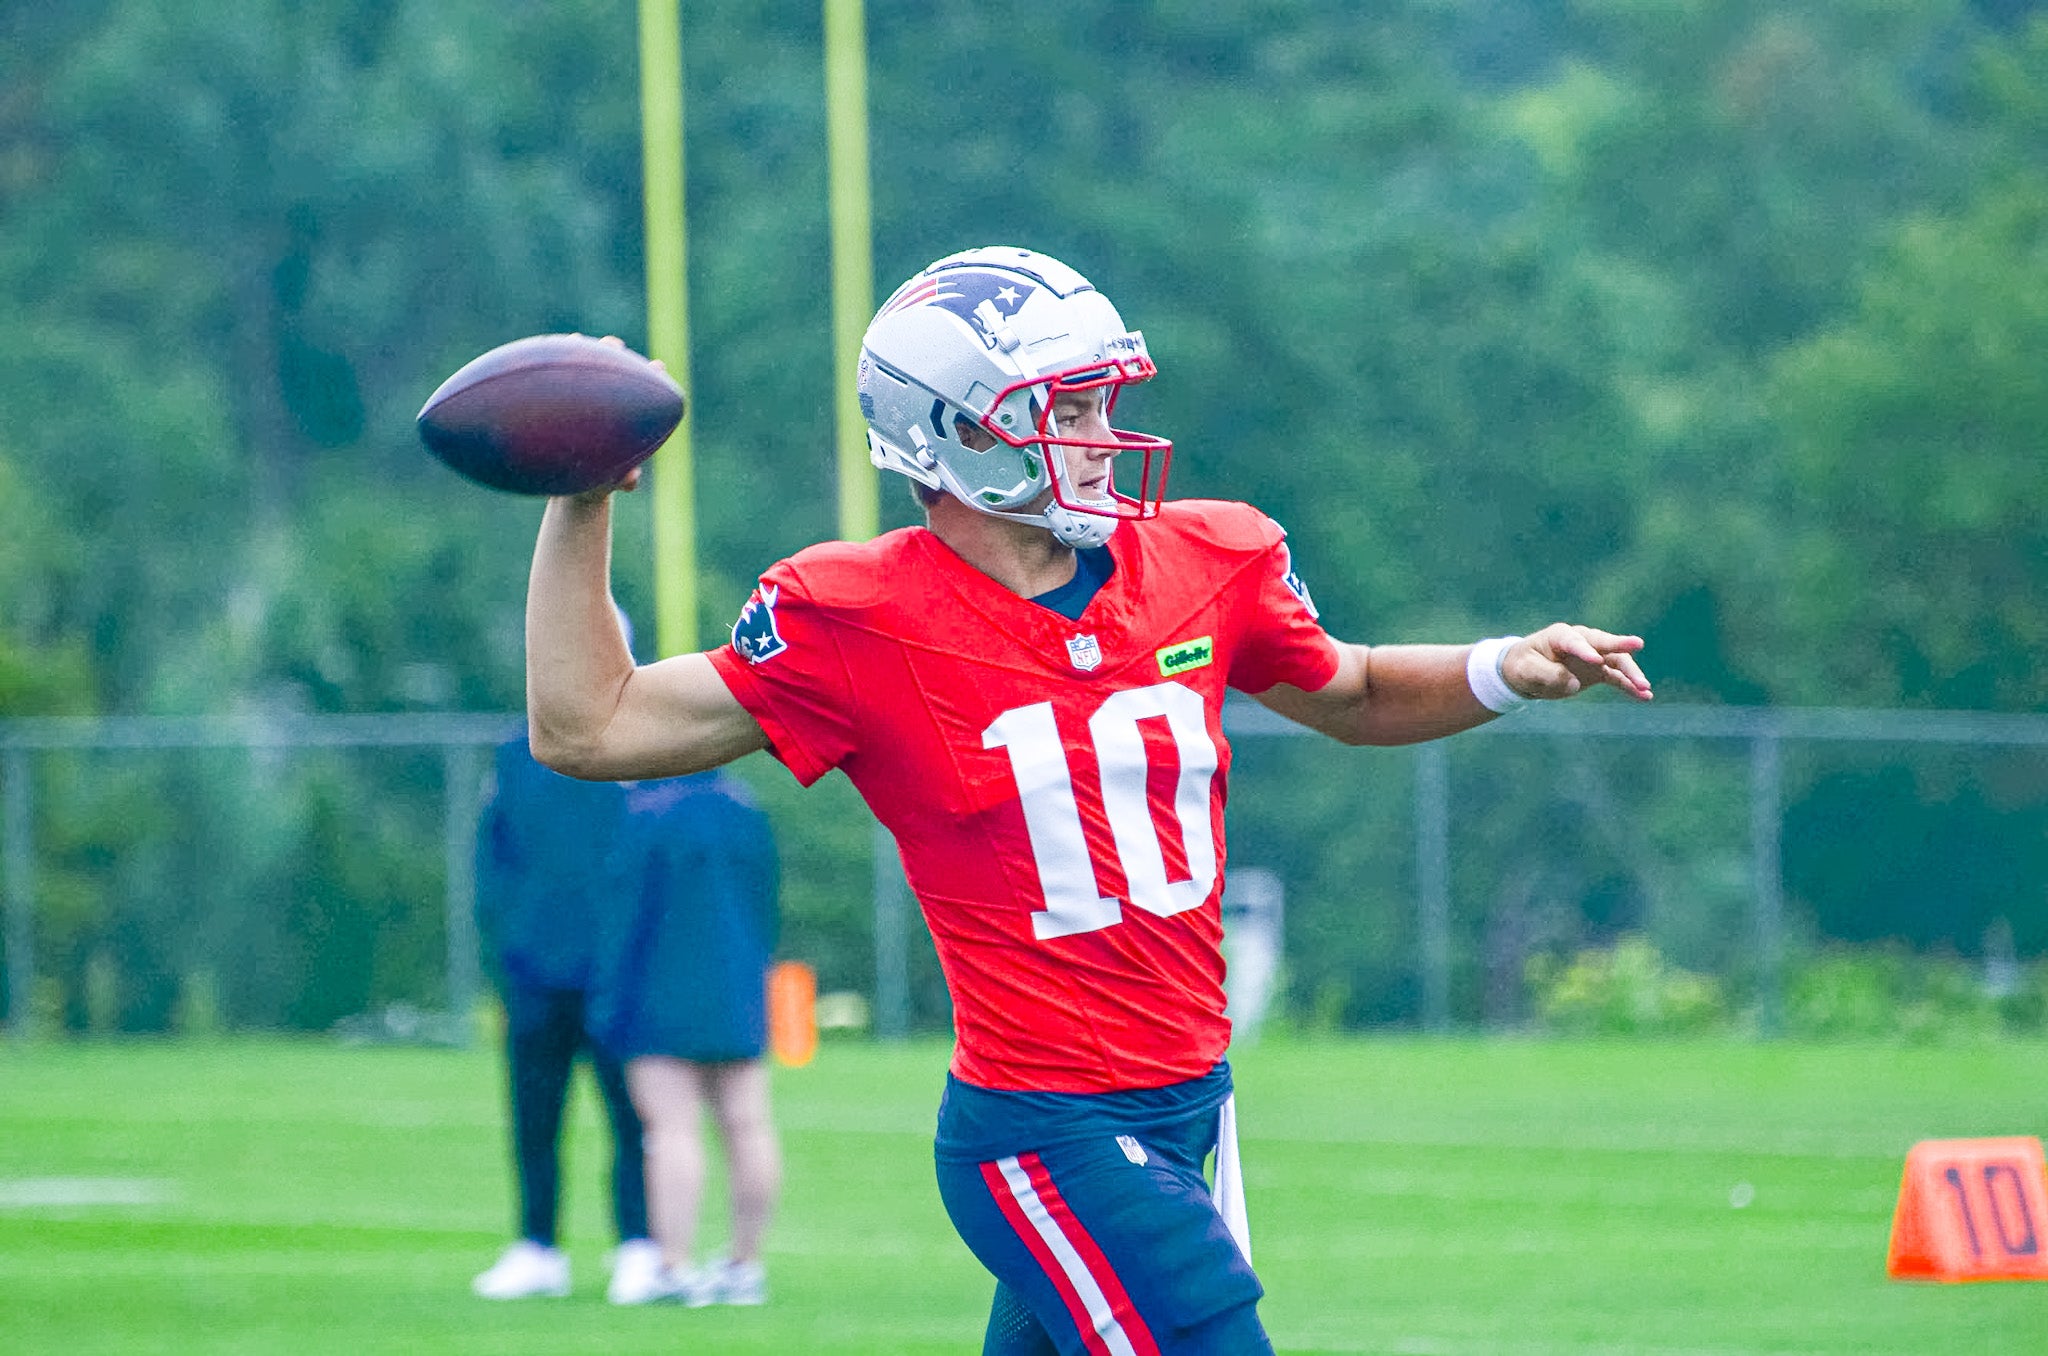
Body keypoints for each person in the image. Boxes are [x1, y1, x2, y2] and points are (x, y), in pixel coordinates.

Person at [523, 246, 1653, 1354]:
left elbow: (1349, 691)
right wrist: (579, 494)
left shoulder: (1208, 559)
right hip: (1044, 1128)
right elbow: (589, 725)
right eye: (1068, 409)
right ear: (959, 431)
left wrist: (1506, 667)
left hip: (1187, 1107)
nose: (1104, 436)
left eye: (1102, 403)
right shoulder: (856, 618)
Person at [469, 734, 668, 1306]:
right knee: (534, 1117)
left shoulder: (640, 741)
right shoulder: (515, 753)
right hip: (536, 968)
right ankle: (537, 1247)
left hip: (619, 969)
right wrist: (507, 948)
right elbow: (494, 856)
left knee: (633, 1120)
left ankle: (638, 1245)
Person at [587, 769, 784, 1306]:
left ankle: (673, 1266)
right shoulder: (746, 807)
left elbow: (624, 914)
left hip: (662, 989)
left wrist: (607, 999)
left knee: (672, 1131)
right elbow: (768, 901)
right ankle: (745, 1264)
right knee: (748, 1127)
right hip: (739, 986)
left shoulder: (646, 812)